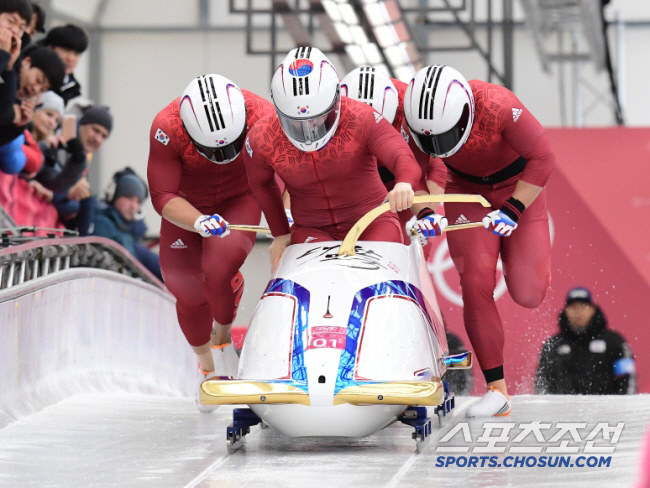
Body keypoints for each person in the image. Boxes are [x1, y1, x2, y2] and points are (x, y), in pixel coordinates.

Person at [404, 65, 556, 417]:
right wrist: (425, 212)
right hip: (466, 190)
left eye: (444, 136)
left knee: (529, 293)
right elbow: (410, 171)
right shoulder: (419, 126)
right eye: (432, 140)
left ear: (465, 113)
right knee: (474, 282)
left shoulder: (499, 106)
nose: (437, 147)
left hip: (518, 187)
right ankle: (497, 390)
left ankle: (530, 266)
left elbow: (543, 156)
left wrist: (514, 208)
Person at [147, 74, 274, 410]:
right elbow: (162, 194)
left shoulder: (262, 114)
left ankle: (223, 338)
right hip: (187, 207)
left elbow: (283, 168)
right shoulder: (166, 127)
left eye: (231, 147)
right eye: (212, 150)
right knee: (184, 286)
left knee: (218, 265)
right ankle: (207, 368)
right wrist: (198, 221)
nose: (223, 157)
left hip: (241, 196)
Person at [244, 47, 425, 270]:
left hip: (370, 223)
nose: (309, 131)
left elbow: (402, 155)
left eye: (319, 119)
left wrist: (404, 183)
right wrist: (281, 232)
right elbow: (261, 184)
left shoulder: (361, 117)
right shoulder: (261, 138)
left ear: (336, 101)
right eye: (296, 124)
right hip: (312, 230)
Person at [340, 66, 448, 246]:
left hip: (402, 173)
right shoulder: (327, 109)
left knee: (406, 242)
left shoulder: (413, 107)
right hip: (353, 175)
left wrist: (425, 214)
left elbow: (434, 167)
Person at [534, 287, 636, 395]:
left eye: (583, 306)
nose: (578, 312)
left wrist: (619, 409)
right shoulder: (553, 344)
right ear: (566, 311)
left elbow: (628, 378)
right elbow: (542, 382)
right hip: (564, 410)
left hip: (605, 410)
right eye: (573, 307)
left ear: (592, 309)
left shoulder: (614, 342)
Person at [92, 168, 162, 281]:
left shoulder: (128, 231)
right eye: (129, 198)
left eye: (138, 202)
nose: (134, 206)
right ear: (114, 196)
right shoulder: (102, 224)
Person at [38, 23, 88, 106]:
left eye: (76, 54)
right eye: (66, 50)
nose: (71, 58)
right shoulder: (31, 76)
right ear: (50, 48)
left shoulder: (73, 89)